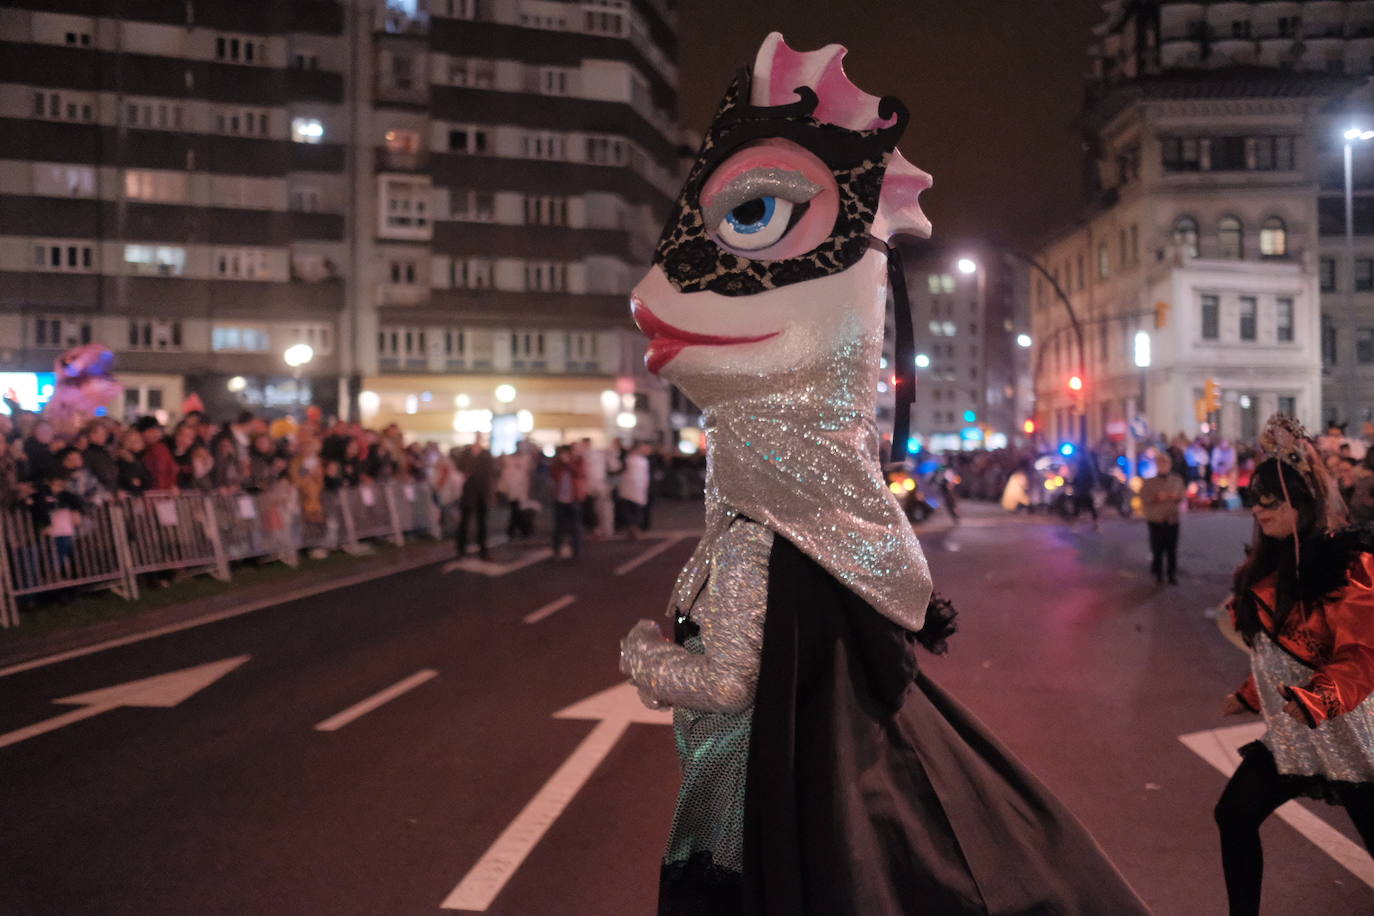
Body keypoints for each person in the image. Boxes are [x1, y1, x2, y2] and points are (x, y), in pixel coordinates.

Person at [618, 33, 1148, 914]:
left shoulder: (759, 537)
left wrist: (639, 655)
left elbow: (723, 682)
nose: (648, 293)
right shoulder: (794, 531)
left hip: (730, 829)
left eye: (752, 216)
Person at [1215, 414, 1374, 916]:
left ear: (1301, 503)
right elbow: (1278, 655)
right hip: (1296, 729)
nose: (1259, 508)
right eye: (1254, 497)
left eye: (1272, 498)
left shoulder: (1347, 567)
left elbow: (1361, 656)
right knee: (1234, 814)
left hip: (1350, 732)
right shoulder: (1270, 564)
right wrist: (1251, 693)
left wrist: (1318, 700)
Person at [1140, 452, 1186, 584]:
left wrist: (1175, 496)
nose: (1163, 466)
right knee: (1157, 549)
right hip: (1156, 520)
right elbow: (1145, 498)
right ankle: (1158, 574)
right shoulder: (1150, 482)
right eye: (1161, 463)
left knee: (1172, 549)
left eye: (1166, 463)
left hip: (1172, 519)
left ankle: (1172, 574)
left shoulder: (1177, 480)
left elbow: (1181, 495)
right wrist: (1157, 497)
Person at [456, 438, 494, 560]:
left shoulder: (486, 456)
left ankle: (482, 550)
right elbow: (461, 468)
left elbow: (489, 471)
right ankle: (461, 549)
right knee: (465, 523)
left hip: (481, 493)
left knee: (481, 523)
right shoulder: (466, 455)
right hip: (469, 492)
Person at [549, 444, 586, 560]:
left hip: (574, 498)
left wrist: (569, 463)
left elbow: (579, 474)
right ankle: (557, 551)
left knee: (575, 527)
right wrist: (561, 464)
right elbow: (554, 475)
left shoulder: (578, 461)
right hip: (560, 498)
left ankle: (576, 551)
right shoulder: (557, 465)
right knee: (559, 527)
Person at [616, 442, 650, 540]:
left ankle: (633, 529)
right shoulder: (640, 461)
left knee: (631, 511)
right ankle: (633, 529)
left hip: (631, 490)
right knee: (634, 511)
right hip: (634, 490)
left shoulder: (632, 460)